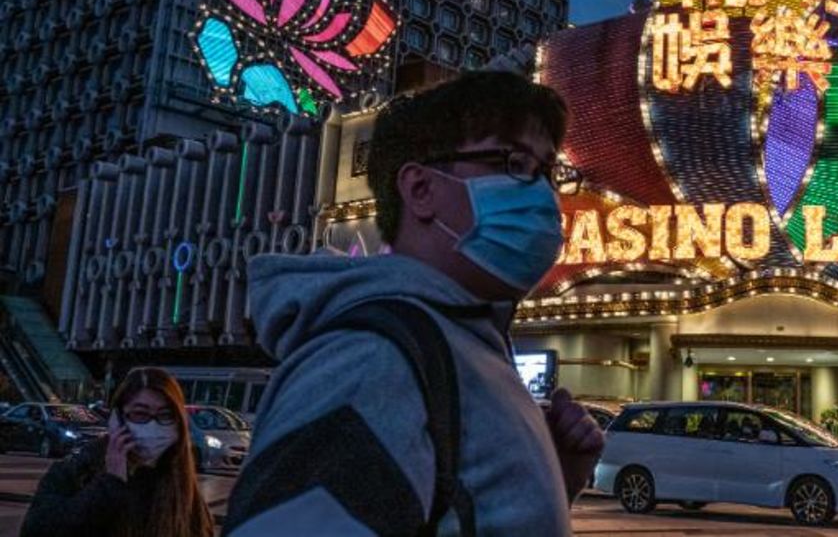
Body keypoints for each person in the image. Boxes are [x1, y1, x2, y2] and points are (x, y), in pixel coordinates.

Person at [224, 71, 604, 536]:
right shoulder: (372, 360)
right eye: (514, 163)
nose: (543, 195)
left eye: (548, 172)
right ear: (421, 190)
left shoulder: (465, 342)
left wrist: (546, 485)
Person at [20, 367, 214, 537]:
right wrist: (110, 483)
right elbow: (38, 529)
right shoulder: (76, 472)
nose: (153, 426)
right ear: (116, 419)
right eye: (140, 413)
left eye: (165, 415)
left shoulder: (184, 490)